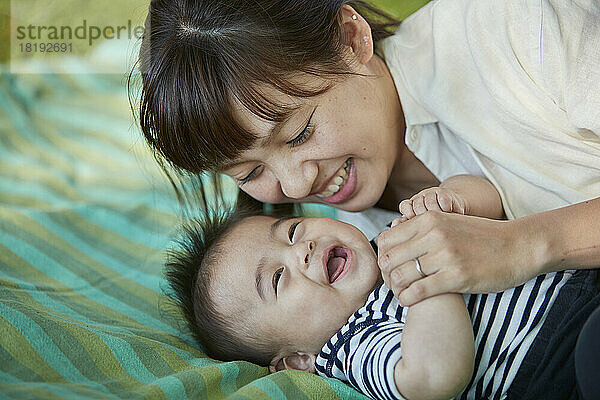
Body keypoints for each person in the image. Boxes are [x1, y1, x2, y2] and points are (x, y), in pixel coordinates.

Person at [134, 0, 600, 397]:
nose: (296, 188)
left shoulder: (511, 27)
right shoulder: (354, 268)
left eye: (299, 134)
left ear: (352, 40)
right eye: (250, 172)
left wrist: (525, 244)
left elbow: (492, 209)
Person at [163, 174, 598, 400]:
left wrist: (451, 201)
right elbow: (433, 377)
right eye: (278, 279)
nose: (302, 251)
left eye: (292, 231)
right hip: (550, 366)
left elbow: (492, 196)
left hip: (580, 274)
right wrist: (426, 276)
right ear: (297, 360)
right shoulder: (350, 346)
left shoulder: (389, 237)